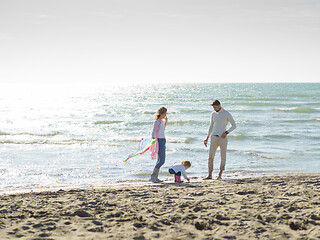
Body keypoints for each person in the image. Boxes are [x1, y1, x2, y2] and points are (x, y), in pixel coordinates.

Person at [204, 100, 236, 180]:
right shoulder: (213, 114)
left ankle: (220, 175)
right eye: (213, 107)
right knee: (210, 156)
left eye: (215, 107)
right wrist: (207, 137)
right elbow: (211, 126)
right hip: (214, 137)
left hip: (223, 138)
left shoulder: (226, 113)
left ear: (219, 105)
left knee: (223, 156)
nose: (214, 109)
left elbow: (234, 125)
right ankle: (210, 175)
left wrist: (226, 132)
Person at [149, 107, 167, 183]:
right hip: (159, 141)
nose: (165, 115)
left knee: (160, 160)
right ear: (162, 113)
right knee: (162, 161)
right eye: (165, 113)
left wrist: (166, 121)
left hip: (163, 140)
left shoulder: (161, 121)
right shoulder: (157, 121)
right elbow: (153, 131)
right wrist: (153, 140)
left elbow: (162, 129)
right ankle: (153, 177)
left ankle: (155, 177)